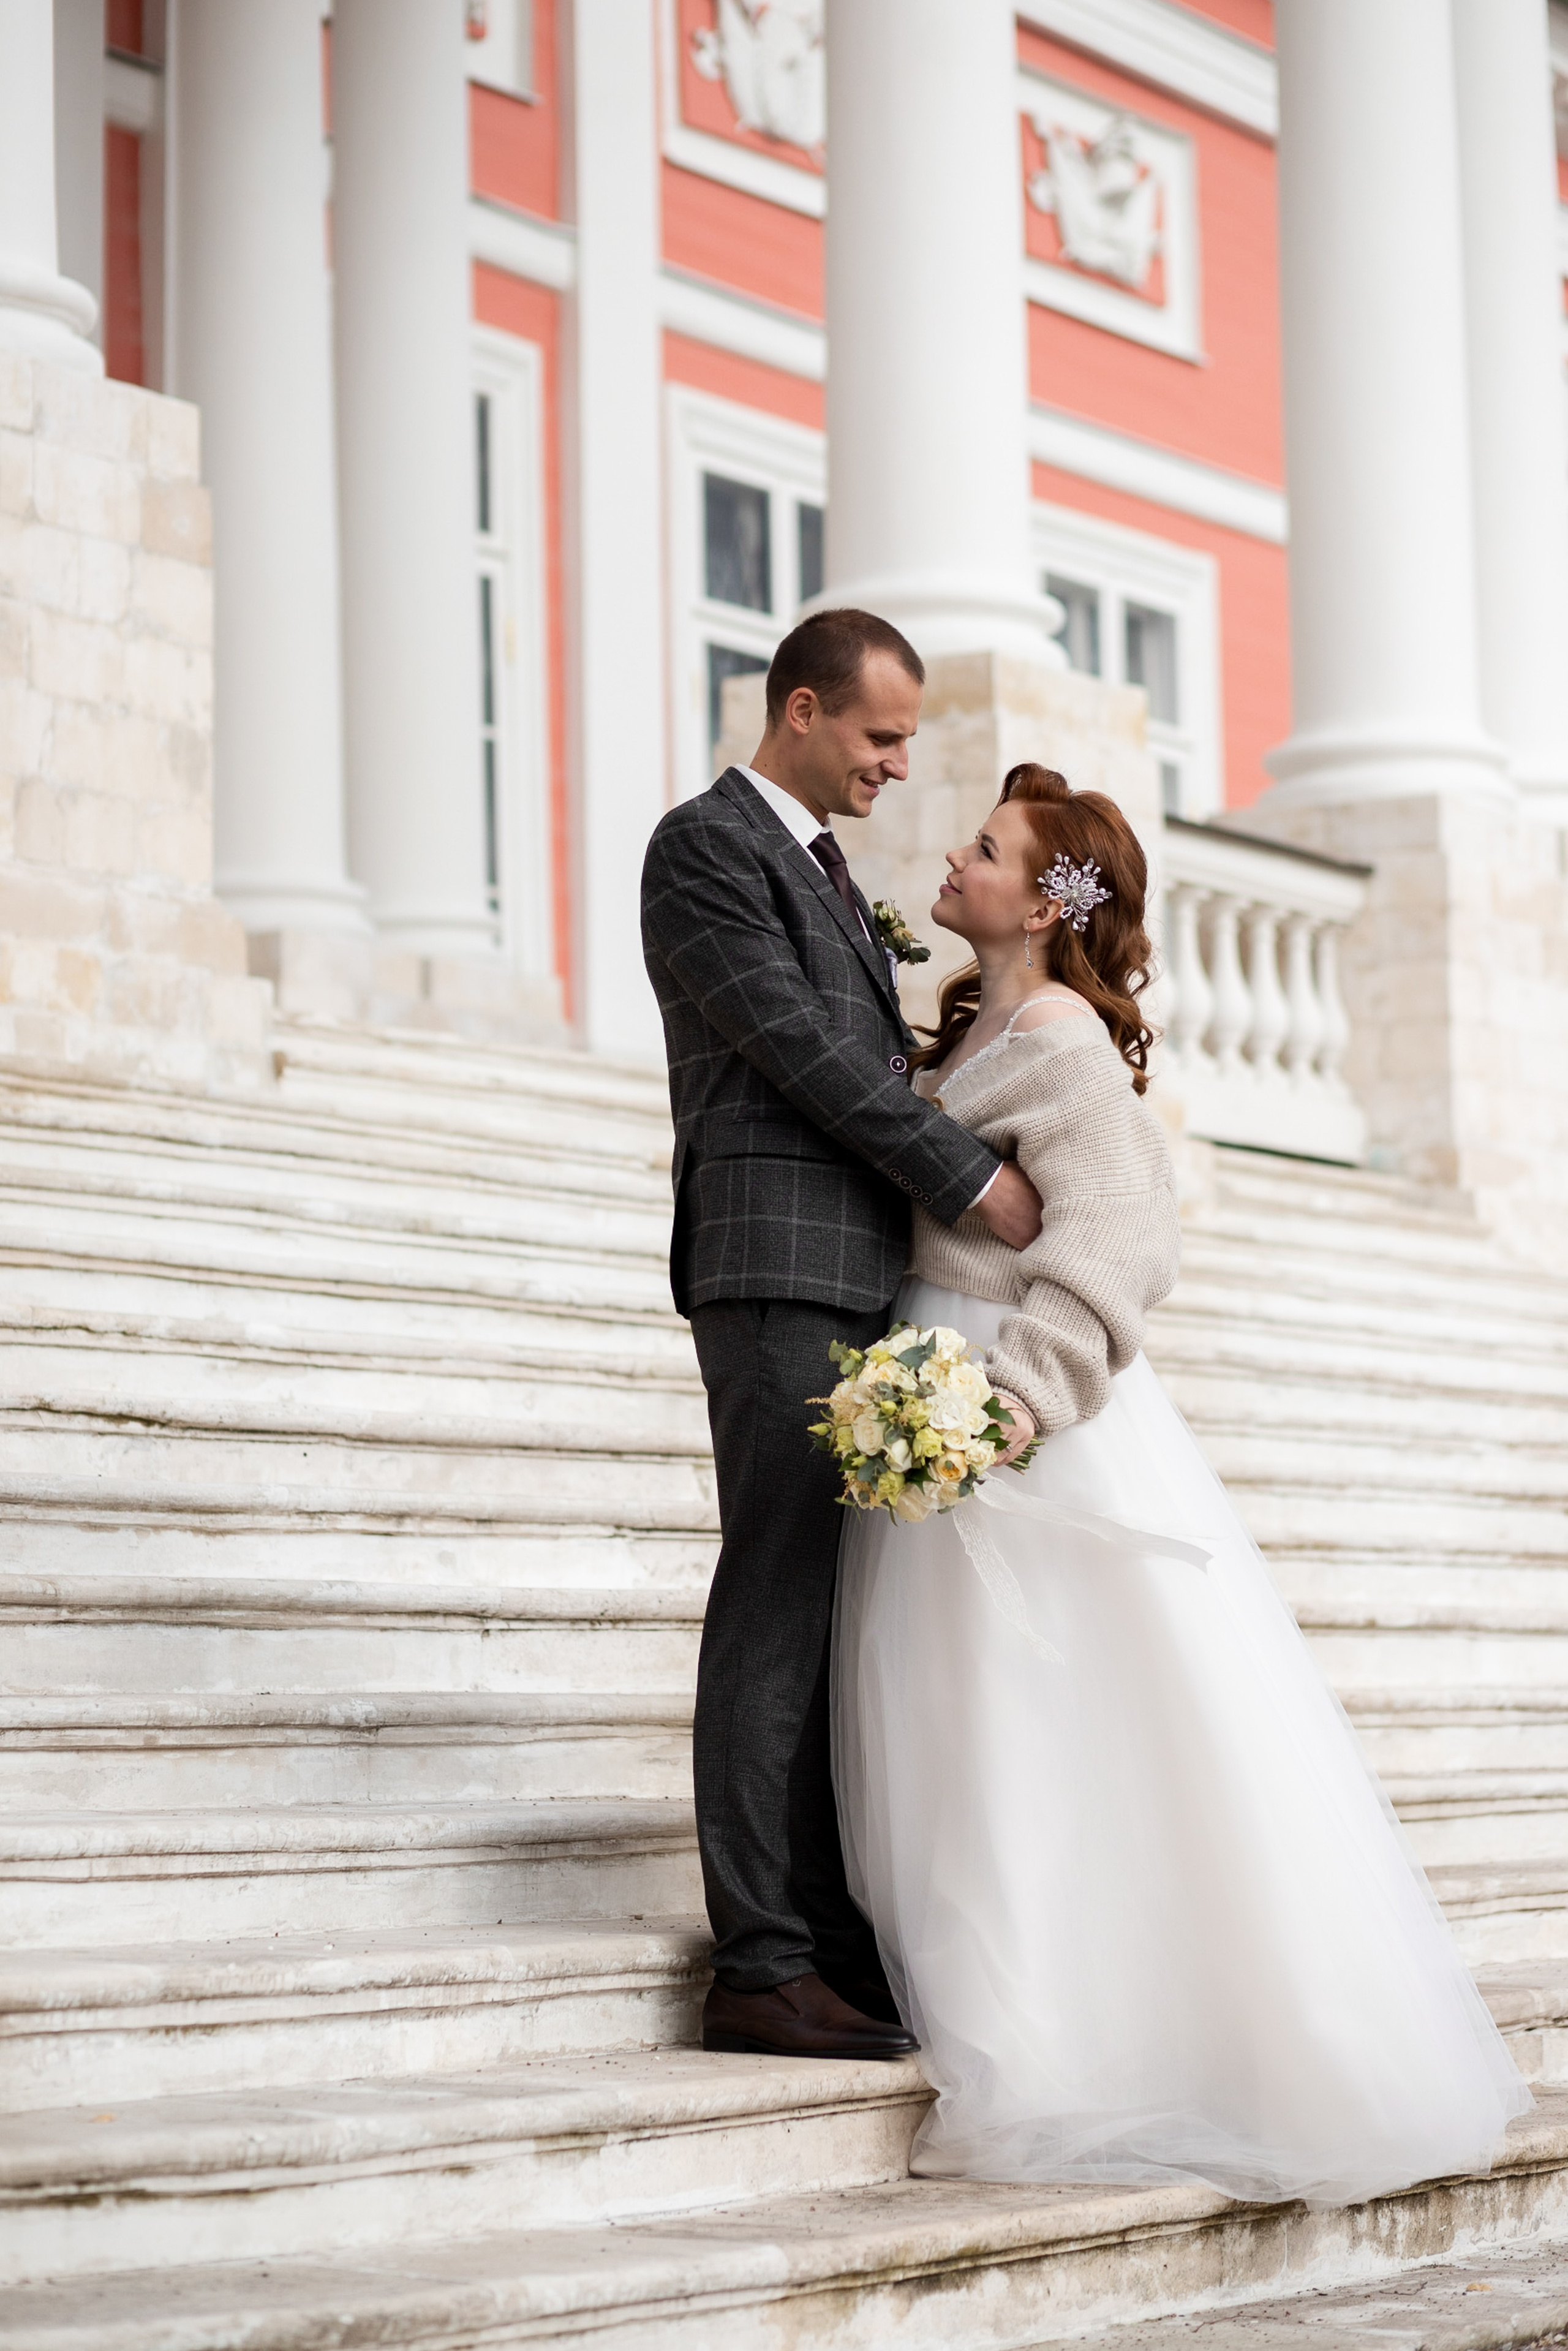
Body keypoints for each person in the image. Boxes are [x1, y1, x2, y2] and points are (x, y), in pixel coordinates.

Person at [831, 761, 1531, 2204]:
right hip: (939, 1388)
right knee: (974, 1727)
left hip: (1013, 1414)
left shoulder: (1063, 1038)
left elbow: (1127, 1233)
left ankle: (1094, 2042)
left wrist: (1012, 1397)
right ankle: (1015, 2009)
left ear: (1041, 899)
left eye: (982, 847)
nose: (951, 858)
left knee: (1037, 1720)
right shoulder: (984, 1023)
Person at [640, 608, 1043, 2061]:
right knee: (775, 1593)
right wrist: (969, 1177)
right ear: (800, 708)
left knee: (824, 1606)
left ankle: (823, 1932)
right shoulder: (702, 847)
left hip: (856, 1277)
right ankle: (758, 1960)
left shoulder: (821, 865)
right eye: (878, 736)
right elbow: (802, 1055)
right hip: (774, 1272)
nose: (895, 764)